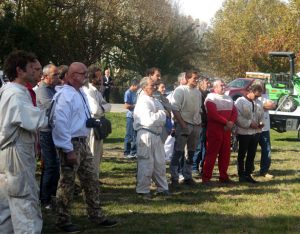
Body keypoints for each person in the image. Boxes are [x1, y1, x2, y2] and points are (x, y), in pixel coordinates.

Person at [51, 62, 117, 232]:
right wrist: (68, 149)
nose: (86, 76)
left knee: (91, 180)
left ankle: (96, 215)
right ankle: (63, 220)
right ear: (72, 75)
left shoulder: (79, 92)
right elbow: (60, 124)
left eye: (86, 73)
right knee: (67, 183)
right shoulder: (65, 96)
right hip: (71, 144)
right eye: (82, 74)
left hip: (82, 141)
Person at [0, 50, 48, 233]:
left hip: (11, 155)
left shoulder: (11, 90)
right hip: (16, 156)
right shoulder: (16, 94)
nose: (38, 73)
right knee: (25, 206)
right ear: (20, 70)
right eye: (33, 69)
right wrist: (49, 110)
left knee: (7, 208)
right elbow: (36, 120)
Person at [133, 77, 170, 199]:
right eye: (151, 85)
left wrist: (160, 114)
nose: (154, 87)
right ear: (144, 87)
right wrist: (161, 114)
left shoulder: (155, 100)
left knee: (159, 162)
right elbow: (149, 120)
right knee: (146, 163)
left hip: (157, 134)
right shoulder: (142, 101)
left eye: (155, 85)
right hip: (146, 134)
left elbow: (166, 115)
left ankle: (162, 187)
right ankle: (143, 190)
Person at [169, 71, 202, 186]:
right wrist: (182, 124)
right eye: (194, 78)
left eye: (197, 78)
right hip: (184, 124)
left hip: (195, 125)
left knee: (191, 152)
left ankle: (187, 176)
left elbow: (199, 109)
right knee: (178, 151)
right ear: (187, 78)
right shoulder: (180, 90)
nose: (197, 80)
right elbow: (174, 108)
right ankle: (174, 177)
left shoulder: (198, 92)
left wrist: (198, 124)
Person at [201, 80, 238, 184]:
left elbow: (234, 112)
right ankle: (206, 177)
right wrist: (227, 122)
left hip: (226, 130)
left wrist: (231, 122)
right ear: (215, 88)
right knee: (212, 154)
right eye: (221, 85)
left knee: (225, 154)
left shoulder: (229, 98)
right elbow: (212, 114)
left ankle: (223, 176)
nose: (223, 87)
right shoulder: (210, 98)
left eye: (223, 85)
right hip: (215, 129)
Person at [35, 64, 61, 209]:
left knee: (54, 166)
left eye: (57, 74)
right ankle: (45, 199)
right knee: (50, 166)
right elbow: (52, 108)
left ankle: (51, 196)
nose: (57, 77)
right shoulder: (43, 90)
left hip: (54, 131)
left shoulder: (53, 88)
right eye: (55, 75)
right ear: (45, 77)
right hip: (46, 132)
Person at [82, 67, 111, 179]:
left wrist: (103, 107)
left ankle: (95, 179)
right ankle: (91, 180)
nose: (101, 78)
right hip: (92, 127)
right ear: (91, 77)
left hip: (99, 125)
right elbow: (96, 110)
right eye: (98, 76)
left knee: (99, 154)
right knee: (92, 154)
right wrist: (104, 107)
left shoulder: (96, 91)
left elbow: (108, 106)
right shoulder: (89, 90)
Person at [235, 83, 264, 183]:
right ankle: (241, 174)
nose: (257, 98)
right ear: (250, 91)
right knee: (242, 154)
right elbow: (237, 116)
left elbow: (261, 115)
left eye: (258, 96)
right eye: (256, 95)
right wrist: (249, 124)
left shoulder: (258, 103)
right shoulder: (240, 101)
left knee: (251, 154)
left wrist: (260, 123)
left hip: (255, 133)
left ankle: (248, 174)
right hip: (244, 132)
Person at [193, 77, 210, 175]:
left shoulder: (208, 94)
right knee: (199, 146)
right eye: (207, 82)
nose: (208, 84)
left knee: (206, 146)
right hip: (200, 123)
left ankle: (204, 166)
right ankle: (194, 167)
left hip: (208, 123)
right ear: (201, 83)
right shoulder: (197, 93)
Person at [258, 87, 276, 179]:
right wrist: (264, 105)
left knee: (267, 150)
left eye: (263, 86)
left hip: (265, 129)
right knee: (249, 151)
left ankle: (264, 171)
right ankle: (246, 171)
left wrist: (268, 105)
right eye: (260, 87)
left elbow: (273, 105)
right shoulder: (252, 97)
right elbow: (263, 106)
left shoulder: (266, 95)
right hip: (254, 128)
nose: (263, 89)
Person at [123, 79, 139, 159]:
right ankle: (126, 152)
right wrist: (136, 106)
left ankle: (134, 152)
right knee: (129, 134)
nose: (138, 88)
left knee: (135, 135)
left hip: (136, 116)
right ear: (133, 85)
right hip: (130, 116)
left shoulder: (137, 93)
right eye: (137, 86)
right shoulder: (128, 92)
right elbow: (126, 106)